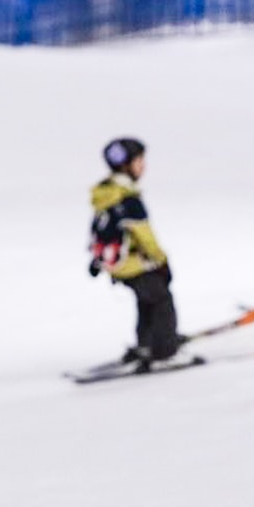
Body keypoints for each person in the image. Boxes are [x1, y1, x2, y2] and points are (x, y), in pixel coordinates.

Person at [88, 137, 193, 371]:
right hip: (133, 262)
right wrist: (161, 260)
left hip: (116, 264)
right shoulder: (128, 198)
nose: (143, 166)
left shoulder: (106, 193)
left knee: (147, 300)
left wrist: (96, 260)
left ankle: (146, 345)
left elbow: (99, 227)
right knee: (162, 300)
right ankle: (165, 351)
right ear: (126, 165)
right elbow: (145, 236)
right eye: (139, 161)